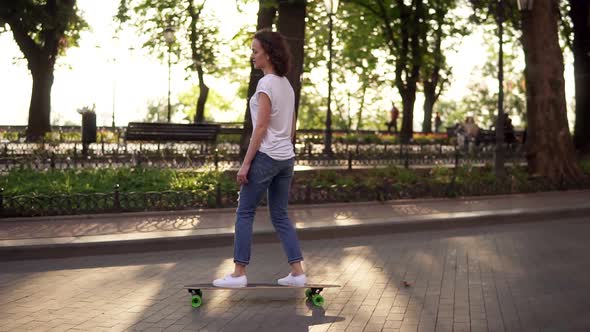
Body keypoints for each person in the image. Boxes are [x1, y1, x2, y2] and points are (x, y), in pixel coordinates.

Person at [212, 29, 306, 288]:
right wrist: (286, 150)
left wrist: (246, 164)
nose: (252, 55)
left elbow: (261, 127)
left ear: (268, 52)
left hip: (266, 156)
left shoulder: (265, 84)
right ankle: (298, 272)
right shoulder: (286, 85)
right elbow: (292, 125)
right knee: (280, 214)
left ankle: (239, 273)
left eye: (255, 51)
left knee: (244, 212)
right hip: (286, 157)